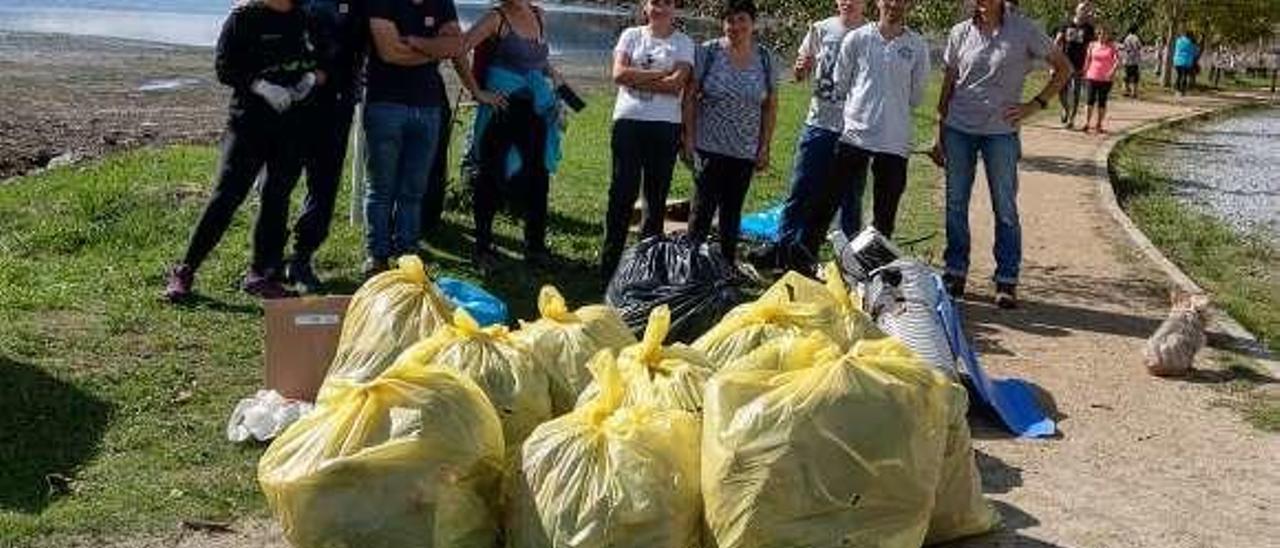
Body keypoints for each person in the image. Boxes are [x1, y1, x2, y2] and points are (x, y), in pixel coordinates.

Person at [164, 0, 320, 301]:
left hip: (293, 123)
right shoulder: (244, 18)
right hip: (249, 123)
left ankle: (261, 273)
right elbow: (225, 67)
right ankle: (184, 270)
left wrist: (308, 80)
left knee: (277, 196)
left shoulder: (305, 18)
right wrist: (260, 85)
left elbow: (321, 56)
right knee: (227, 195)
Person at [929, 0, 1071, 308]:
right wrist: (939, 131)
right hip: (958, 129)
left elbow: (1064, 68)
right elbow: (949, 83)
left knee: (1004, 207)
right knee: (955, 203)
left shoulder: (1024, 30)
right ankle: (955, 271)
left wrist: (1035, 105)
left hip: (1001, 134)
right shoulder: (959, 32)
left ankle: (1006, 278)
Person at [799, 0, 928, 268]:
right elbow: (841, 83)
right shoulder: (857, 39)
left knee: (885, 215)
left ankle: (873, 273)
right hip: (856, 135)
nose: (895, 4)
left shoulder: (917, 46)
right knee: (827, 202)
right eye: (889, 0)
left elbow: (915, 96)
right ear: (879, 2)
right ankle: (802, 263)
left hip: (894, 142)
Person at [748, 0, 863, 271]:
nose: (848, 2)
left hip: (855, 130)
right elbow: (800, 74)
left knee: (850, 198)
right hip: (818, 123)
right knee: (800, 189)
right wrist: (801, 68)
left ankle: (850, 263)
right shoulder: (821, 29)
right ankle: (782, 250)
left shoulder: (870, 34)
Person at [456, 0, 564, 272]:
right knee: (490, 177)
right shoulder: (496, 18)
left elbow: (538, 59)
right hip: (502, 110)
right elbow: (458, 50)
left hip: (534, 111)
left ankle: (536, 248)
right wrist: (478, 93)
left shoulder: (539, 15)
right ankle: (482, 248)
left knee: (538, 178)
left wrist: (554, 78)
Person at [361, 0, 462, 278]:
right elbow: (390, 52)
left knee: (414, 189)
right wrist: (435, 49)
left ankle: (407, 253)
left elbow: (456, 45)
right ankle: (377, 255)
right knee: (381, 188)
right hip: (385, 105)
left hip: (428, 106)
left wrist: (415, 42)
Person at [598, 0, 695, 283]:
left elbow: (677, 84)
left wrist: (637, 78)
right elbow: (618, 74)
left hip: (665, 128)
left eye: (666, 3)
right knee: (621, 194)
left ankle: (645, 269)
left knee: (655, 198)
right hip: (628, 124)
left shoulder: (684, 43)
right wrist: (661, 74)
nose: (660, 8)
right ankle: (609, 266)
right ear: (645, 7)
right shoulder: (631, 36)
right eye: (654, 2)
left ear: (674, 7)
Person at [682, 0, 777, 266]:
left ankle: (725, 268)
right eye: (730, 20)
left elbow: (770, 106)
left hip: (744, 151)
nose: (735, 26)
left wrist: (764, 146)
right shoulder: (709, 51)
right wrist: (688, 137)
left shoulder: (765, 58)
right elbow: (690, 96)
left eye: (741, 20)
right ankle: (691, 267)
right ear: (723, 24)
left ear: (752, 23)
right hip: (708, 147)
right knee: (702, 211)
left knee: (732, 212)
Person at [282, 0, 368, 293]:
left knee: (324, 185)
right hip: (294, 104)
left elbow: (369, 40)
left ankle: (302, 257)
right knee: (278, 181)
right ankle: (267, 259)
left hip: (338, 104)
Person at [1054, 1, 1095, 128]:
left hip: (1079, 65)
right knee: (1061, 90)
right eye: (1082, 9)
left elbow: (1091, 47)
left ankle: (1072, 119)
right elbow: (1057, 42)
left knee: (1076, 92)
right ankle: (1065, 108)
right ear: (1076, 10)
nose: (1084, 11)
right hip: (1064, 63)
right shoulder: (1066, 24)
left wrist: (1088, 65)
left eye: (1086, 10)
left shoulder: (1089, 28)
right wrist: (1053, 63)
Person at [1081, 24, 1119, 134]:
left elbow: (1117, 61)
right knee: (1089, 100)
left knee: (1102, 102)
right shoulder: (1092, 45)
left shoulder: (1112, 47)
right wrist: (1084, 71)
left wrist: (1112, 71)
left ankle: (1099, 124)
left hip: (1106, 78)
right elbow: (1088, 59)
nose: (1102, 36)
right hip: (1091, 76)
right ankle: (1086, 123)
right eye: (1100, 33)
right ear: (1097, 34)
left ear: (1108, 35)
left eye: (1105, 34)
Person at [1173, 31, 1198, 95]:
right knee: (1184, 76)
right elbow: (1195, 52)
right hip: (1186, 62)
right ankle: (1182, 90)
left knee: (1179, 75)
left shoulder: (1178, 40)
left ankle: (1177, 90)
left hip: (1177, 61)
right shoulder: (1191, 43)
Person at [1121, 24, 1142, 98]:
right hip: (1134, 60)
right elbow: (1139, 47)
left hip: (1126, 59)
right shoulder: (1136, 38)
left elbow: (1124, 47)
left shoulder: (1126, 38)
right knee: (1135, 77)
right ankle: (1134, 92)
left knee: (1126, 76)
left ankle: (1125, 91)